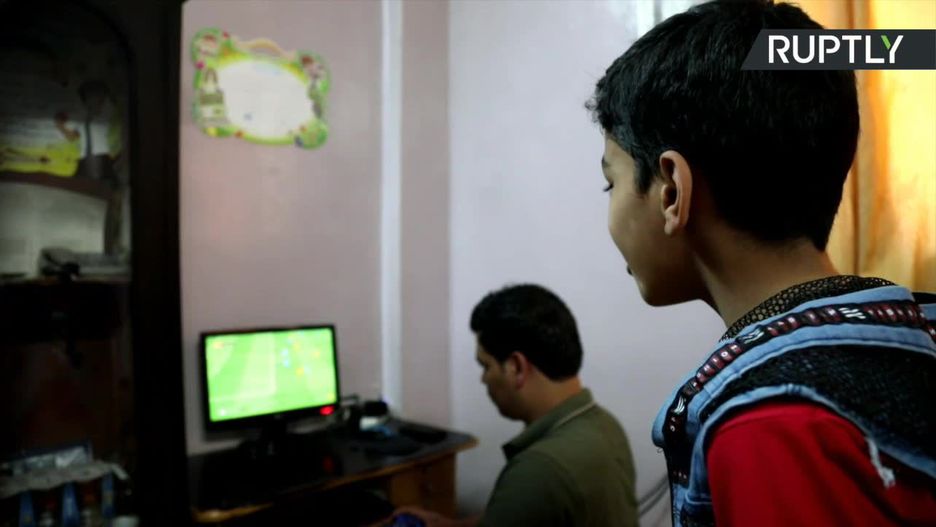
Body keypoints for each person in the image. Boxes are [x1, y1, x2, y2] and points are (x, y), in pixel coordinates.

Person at [588, 1, 936, 525]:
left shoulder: (770, 428)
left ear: (671, 191)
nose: (610, 206)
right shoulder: (910, 334)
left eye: (610, 183)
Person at [393, 284, 638, 527]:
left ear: (516, 367)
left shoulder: (538, 470)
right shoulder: (605, 425)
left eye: (486, 366)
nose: (483, 379)